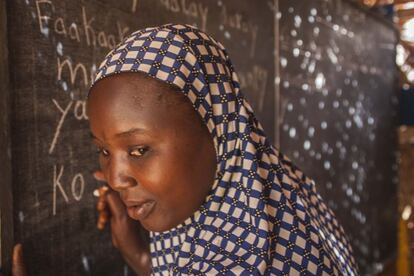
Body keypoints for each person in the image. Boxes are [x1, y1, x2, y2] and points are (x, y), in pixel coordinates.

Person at [7, 23, 358, 275]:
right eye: (104, 151)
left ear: (218, 133)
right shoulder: (281, 197)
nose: (115, 178)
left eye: (139, 149)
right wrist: (142, 258)